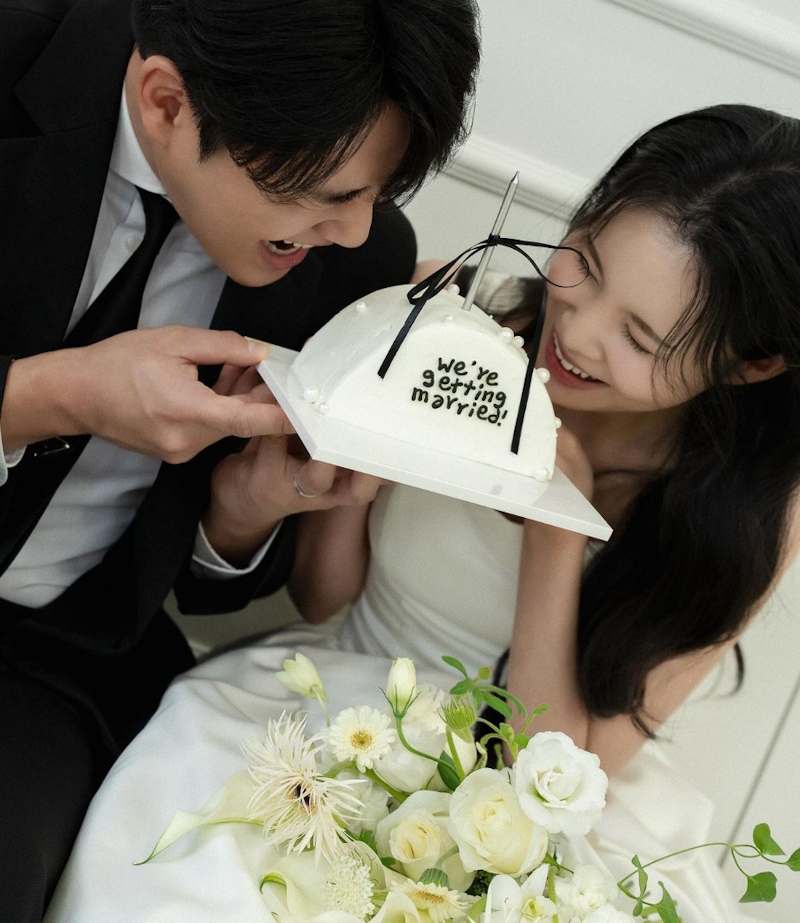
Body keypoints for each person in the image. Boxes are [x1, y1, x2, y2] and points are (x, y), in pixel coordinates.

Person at [44, 103, 799, 923]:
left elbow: (553, 770)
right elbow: (324, 595)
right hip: (337, 709)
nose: (578, 332)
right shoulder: (467, 342)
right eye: (583, 264)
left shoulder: (747, 515)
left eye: (641, 339)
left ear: (751, 365)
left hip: (530, 805)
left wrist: (555, 520)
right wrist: (369, 404)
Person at [0, 0, 480, 918]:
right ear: (165, 101)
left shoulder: (354, 260)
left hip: (45, 666)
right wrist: (47, 396)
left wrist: (244, 509)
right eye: (322, 194)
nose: (352, 228)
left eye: (377, 192)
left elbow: (197, 581)